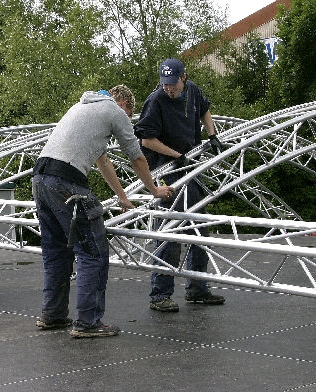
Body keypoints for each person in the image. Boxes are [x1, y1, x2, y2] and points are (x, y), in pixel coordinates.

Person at [32, 85, 174, 338]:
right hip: (67, 182)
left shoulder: (82, 108)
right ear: (124, 104)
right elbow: (137, 157)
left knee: (57, 251)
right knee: (93, 251)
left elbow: (103, 161)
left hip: (41, 180)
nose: (128, 120)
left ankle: (53, 315)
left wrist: (122, 196)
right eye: (130, 113)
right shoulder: (114, 111)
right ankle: (88, 322)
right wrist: (154, 190)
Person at [133, 58, 225, 312]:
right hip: (166, 169)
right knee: (170, 229)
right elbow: (147, 140)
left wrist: (212, 135)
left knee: (198, 226)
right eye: (165, 84)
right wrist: (176, 155)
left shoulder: (192, 90)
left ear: (183, 77)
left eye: (172, 84)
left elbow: (205, 110)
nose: (168, 88)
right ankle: (160, 294)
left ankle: (198, 288)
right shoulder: (155, 101)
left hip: (189, 165)